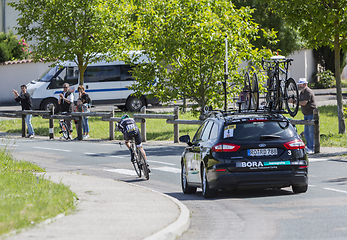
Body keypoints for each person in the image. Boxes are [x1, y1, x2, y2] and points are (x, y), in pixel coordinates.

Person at [298, 78, 317, 154]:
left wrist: (294, 102)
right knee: (306, 132)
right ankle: (308, 146)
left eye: (301, 84)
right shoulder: (301, 93)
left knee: (310, 132)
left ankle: (311, 147)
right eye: (299, 84)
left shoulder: (308, 92)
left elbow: (304, 102)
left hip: (310, 113)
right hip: (306, 114)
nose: (300, 86)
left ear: (305, 84)